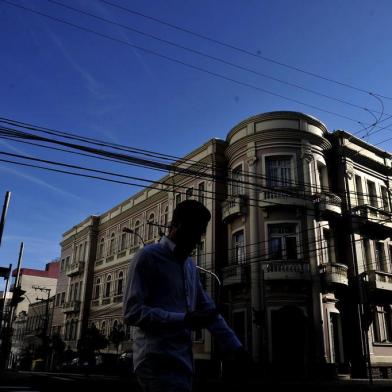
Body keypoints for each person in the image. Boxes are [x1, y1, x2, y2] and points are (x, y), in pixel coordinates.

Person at [123, 200, 247, 392]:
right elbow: (132, 312)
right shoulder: (147, 257)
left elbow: (208, 310)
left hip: (183, 362)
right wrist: (185, 319)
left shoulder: (190, 265)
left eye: (201, 233)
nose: (198, 240)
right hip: (155, 360)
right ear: (178, 225)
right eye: (196, 231)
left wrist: (236, 347)